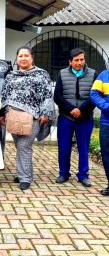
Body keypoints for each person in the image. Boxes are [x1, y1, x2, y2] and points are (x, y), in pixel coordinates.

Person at [1, 46, 55, 191]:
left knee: (24, 146)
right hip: (13, 117)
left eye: (26, 56)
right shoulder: (11, 75)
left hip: (33, 117)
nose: (23, 58)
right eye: (20, 56)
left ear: (32, 58)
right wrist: (3, 113)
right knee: (20, 146)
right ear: (17, 58)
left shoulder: (41, 74)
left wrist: (45, 113)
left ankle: (25, 178)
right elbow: (5, 95)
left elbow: (47, 96)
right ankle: (23, 173)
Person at [54, 48, 98, 187]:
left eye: (82, 59)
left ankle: (83, 175)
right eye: (76, 60)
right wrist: (71, 109)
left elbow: (95, 95)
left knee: (83, 147)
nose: (80, 62)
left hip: (85, 117)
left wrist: (81, 110)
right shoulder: (62, 74)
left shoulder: (92, 74)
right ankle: (63, 173)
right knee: (64, 147)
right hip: (66, 117)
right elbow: (57, 96)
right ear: (70, 61)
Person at [91, 70, 109, 195]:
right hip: (107, 123)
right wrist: (106, 106)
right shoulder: (104, 75)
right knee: (107, 155)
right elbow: (94, 94)